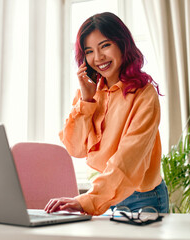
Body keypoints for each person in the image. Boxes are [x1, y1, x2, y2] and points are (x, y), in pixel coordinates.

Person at [44, 12, 169, 216]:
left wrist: (88, 199)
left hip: (143, 197)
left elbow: (128, 159)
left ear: (122, 44)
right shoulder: (90, 93)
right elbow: (75, 148)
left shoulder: (144, 94)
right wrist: (86, 101)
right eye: (89, 51)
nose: (98, 57)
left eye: (105, 45)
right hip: (106, 195)